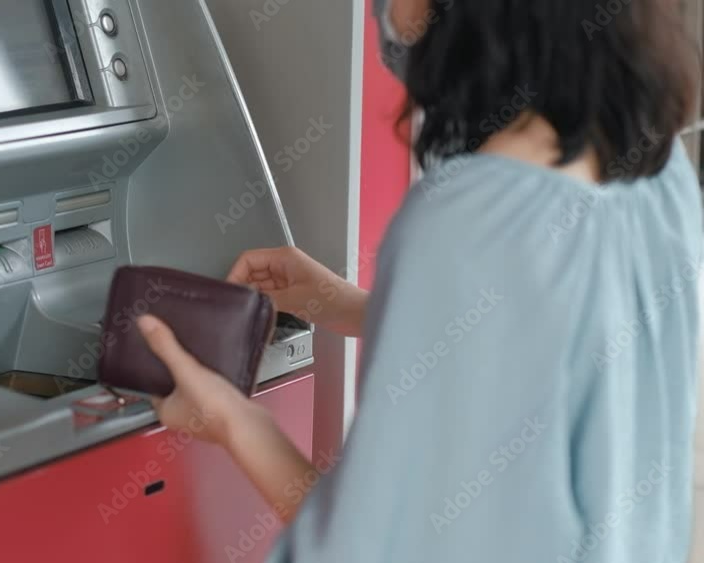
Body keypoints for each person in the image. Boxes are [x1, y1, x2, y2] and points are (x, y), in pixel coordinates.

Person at [138, 0, 702, 561]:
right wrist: (350, 305)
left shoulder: (470, 221)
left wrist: (236, 422)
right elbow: (548, 335)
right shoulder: (660, 174)